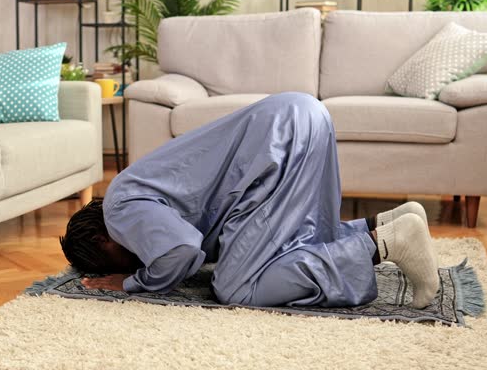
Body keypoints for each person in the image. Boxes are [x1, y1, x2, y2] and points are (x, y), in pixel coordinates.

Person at [60, 93, 440, 308]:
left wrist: (132, 281)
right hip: (302, 115)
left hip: (276, 145)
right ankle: (388, 223)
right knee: (297, 242)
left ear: (102, 240)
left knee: (237, 288)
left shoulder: (119, 208)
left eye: (109, 261)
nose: (132, 259)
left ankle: (387, 244)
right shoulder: (136, 189)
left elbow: (182, 249)